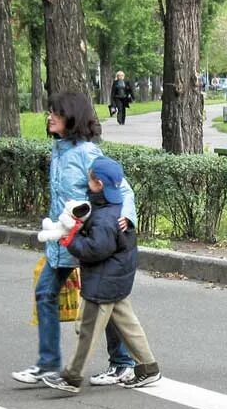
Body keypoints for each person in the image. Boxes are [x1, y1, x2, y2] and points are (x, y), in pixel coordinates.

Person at [12, 92, 138, 387]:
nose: (50, 117)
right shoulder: (58, 150)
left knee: (105, 302)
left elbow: (124, 189)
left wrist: (127, 217)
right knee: (45, 293)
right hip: (64, 241)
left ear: (72, 117)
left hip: (91, 242)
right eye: (50, 112)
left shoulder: (87, 153)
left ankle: (123, 364)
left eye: (56, 113)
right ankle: (48, 364)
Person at [42, 159, 161, 393]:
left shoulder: (105, 218)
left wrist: (71, 240)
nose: (87, 183)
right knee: (128, 326)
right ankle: (148, 368)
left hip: (101, 283)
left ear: (98, 184)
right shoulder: (114, 209)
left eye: (89, 179)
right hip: (116, 279)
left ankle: (71, 377)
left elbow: (96, 249)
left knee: (87, 329)